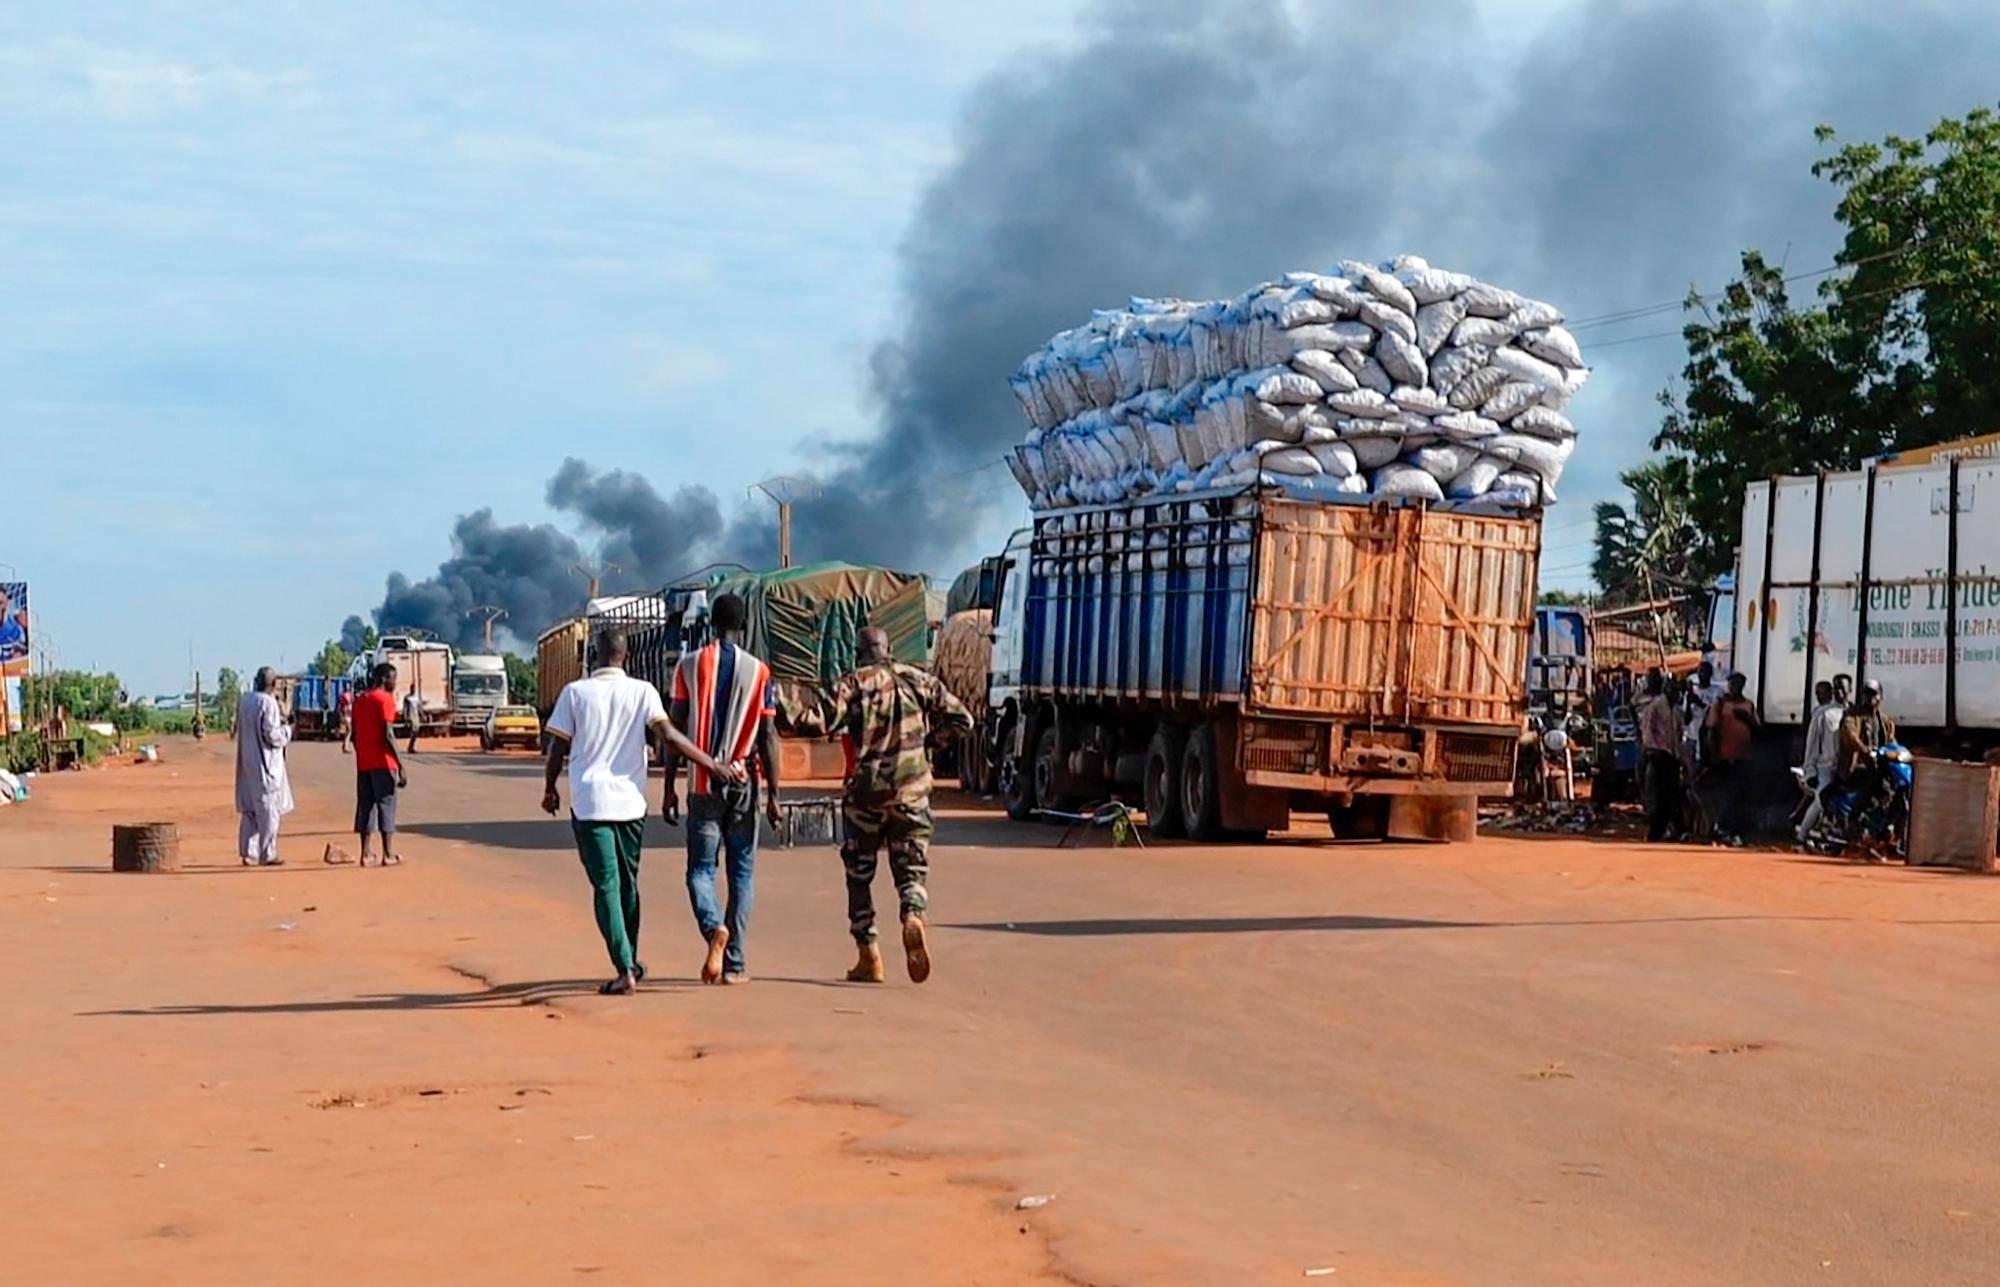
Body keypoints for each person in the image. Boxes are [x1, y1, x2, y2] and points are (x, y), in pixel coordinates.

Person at [543, 629, 741, 995]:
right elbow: (670, 737)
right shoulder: (643, 691)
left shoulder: (575, 692)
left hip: (590, 805)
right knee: (628, 885)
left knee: (606, 886)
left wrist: (550, 787)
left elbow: (558, 747)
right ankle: (630, 960)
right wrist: (711, 764)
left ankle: (624, 968)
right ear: (628, 655)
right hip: (631, 805)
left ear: (593, 656)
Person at [789, 626, 972, 984]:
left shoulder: (854, 684)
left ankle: (869, 956)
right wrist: (926, 744)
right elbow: (962, 720)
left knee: (859, 874)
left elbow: (815, 722)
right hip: (913, 792)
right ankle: (913, 915)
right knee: (912, 869)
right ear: (890, 649)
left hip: (867, 797)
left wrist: (781, 703)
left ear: (859, 653)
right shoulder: (919, 680)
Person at [663, 593, 782, 986]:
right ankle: (735, 964)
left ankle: (714, 927)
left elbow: (674, 731)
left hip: (702, 782)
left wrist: (667, 787)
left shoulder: (689, 665)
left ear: (710, 624)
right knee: (742, 875)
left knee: (700, 869)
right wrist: (775, 795)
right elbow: (768, 735)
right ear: (743, 625)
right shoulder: (760, 671)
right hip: (744, 783)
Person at [233, 667, 294, 867]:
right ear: (274, 684)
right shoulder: (268, 703)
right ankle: (268, 853)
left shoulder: (245, 701)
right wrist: (287, 730)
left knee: (250, 809)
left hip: (247, 764)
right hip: (266, 765)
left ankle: (248, 852)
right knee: (268, 810)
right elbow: (272, 736)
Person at [350, 663, 407, 868]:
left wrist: (362, 753)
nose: (395, 682)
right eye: (393, 678)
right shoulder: (385, 700)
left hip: (364, 764)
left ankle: (365, 854)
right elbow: (388, 734)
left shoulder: (359, 701)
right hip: (384, 763)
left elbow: (354, 735)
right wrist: (400, 764)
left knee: (365, 806)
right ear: (384, 678)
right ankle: (388, 853)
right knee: (386, 806)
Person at [1704, 673, 1762, 844]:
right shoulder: (1720, 703)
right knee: (1727, 794)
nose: (1735, 687)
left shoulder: (1748, 705)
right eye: (1732, 684)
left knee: (1739, 795)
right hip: (1724, 757)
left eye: (1738, 684)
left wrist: (1748, 720)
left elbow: (1759, 731)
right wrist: (1714, 754)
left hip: (1743, 757)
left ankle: (1730, 829)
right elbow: (1711, 730)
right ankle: (1722, 827)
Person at [1636, 669, 1686, 843]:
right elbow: (1647, 729)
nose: (1675, 693)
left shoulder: (1677, 711)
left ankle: (1672, 830)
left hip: (1672, 756)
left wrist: (1681, 756)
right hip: (1657, 755)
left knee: (1672, 795)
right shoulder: (1656, 705)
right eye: (1672, 690)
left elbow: (1680, 734)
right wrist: (1652, 749)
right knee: (1658, 795)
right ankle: (1656, 832)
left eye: (1677, 691)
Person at [1796, 679, 1844, 843]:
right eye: (1837, 689)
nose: (1840, 693)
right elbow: (1812, 744)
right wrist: (1810, 770)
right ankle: (1802, 835)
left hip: (1844, 768)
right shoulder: (1822, 714)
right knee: (1820, 801)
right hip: (1825, 767)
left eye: (1842, 689)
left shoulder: (1851, 713)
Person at [1838, 678, 1897, 788]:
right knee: (1882, 786)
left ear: (1881, 697)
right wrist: (1864, 749)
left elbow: (1891, 740)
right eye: (1867, 694)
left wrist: (1898, 752)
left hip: (1879, 765)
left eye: (1874, 694)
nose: (1870, 698)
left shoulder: (1884, 719)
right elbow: (1850, 734)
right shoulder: (1852, 714)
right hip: (1857, 766)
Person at [403, 686, 422, 756]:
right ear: (410, 689)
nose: (413, 690)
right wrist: (406, 717)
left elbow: (419, 707)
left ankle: (411, 746)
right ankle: (410, 747)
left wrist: (422, 715)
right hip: (411, 716)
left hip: (416, 716)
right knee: (414, 731)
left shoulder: (416, 698)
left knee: (416, 731)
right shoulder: (407, 698)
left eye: (414, 689)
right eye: (412, 689)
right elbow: (405, 708)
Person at [337, 685, 355, 754]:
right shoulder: (348, 695)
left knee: (348, 731)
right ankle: (345, 747)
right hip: (347, 715)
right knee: (349, 730)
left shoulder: (343, 695)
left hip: (347, 714)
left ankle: (345, 746)